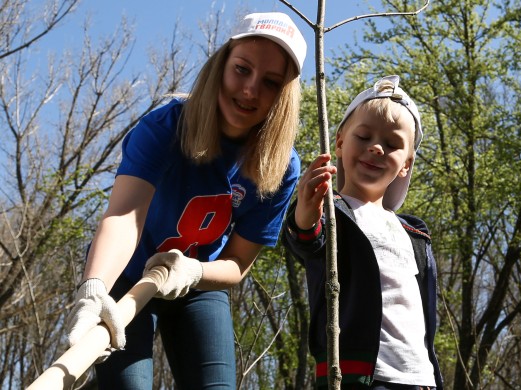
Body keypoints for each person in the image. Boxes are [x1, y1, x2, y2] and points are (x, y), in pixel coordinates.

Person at [65, 12, 307, 389]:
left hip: (195, 285)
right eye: (242, 69)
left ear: (285, 96)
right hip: (123, 275)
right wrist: (94, 288)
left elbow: (238, 262)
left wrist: (193, 272)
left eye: (271, 82)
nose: (250, 90)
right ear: (221, 64)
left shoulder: (281, 167)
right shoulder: (163, 128)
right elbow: (123, 218)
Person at [283, 75, 443, 389]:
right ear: (340, 142)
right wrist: (307, 210)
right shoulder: (333, 211)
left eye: (393, 144)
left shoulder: (414, 234)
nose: (377, 148)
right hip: (358, 376)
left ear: (406, 165)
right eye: (364, 136)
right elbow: (306, 241)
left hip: (420, 378)